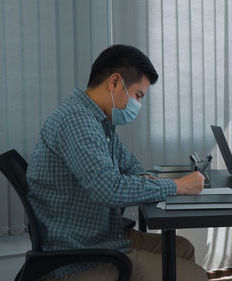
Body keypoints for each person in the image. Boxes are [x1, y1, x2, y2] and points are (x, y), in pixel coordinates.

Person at [27, 44, 208, 281]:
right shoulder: (78, 122)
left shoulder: (100, 121)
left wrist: (144, 179)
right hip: (78, 256)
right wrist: (177, 186)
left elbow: (128, 163)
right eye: (138, 95)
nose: (138, 104)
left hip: (99, 237)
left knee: (182, 249)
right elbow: (108, 189)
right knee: (193, 276)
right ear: (114, 82)